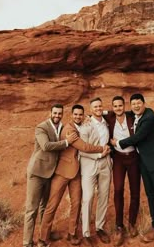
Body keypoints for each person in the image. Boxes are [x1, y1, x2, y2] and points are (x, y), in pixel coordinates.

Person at [111, 94, 154, 247]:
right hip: (144, 161)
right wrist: (102, 112)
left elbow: (137, 137)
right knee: (150, 194)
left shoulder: (149, 117)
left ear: (144, 103)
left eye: (139, 103)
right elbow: (119, 112)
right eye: (133, 103)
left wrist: (118, 142)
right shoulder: (134, 114)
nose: (136, 106)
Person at [38, 104, 110, 247]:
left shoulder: (84, 123)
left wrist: (91, 116)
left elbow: (101, 114)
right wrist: (102, 148)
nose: (78, 116)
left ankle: (72, 234)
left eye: (80, 114)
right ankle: (43, 238)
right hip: (63, 172)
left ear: (83, 115)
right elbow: (83, 147)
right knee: (52, 205)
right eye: (75, 114)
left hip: (77, 172)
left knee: (76, 204)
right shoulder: (69, 130)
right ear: (71, 115)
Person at [23, 103, 77, 247]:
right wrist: (66, 142)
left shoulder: (61, 127)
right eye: (55, 113)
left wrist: (88, 118)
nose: (57, 116)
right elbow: (46, 146)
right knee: (31, 209)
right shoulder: (42, 127)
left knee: (45, 206)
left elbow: (76, 122)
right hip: (37, 172)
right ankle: (27, 242)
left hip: (50, 173)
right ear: (50, 113)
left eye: (59, 113)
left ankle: (45, 234)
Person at [104, 96, 140, 246]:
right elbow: (97, 113)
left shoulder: (132, 116)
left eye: (120, 106)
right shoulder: (110, 117)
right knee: (118, 189)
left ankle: (131, 223)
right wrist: (87, 117)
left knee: (135, 191)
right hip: (118, 159)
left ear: (124, 106)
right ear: (112, 107)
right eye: (115, 106)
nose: (118, 108)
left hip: (133, 159)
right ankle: (119, 226)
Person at [79, 97, 112, 247]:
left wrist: (105, 157)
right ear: (90, 109)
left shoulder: (106, 121)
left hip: (105, 164)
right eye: (95, 107)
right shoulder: (85, 126)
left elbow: (110, 111)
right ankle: (86, 233)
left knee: (104, 195)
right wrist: (99, 154)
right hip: (89, 164)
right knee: (88, 197)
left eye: (100, 106)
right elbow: (82, 149)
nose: (98, 109)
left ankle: (99, 227)